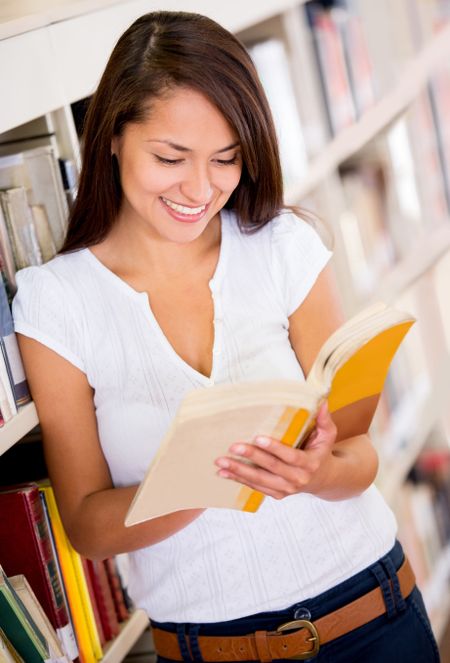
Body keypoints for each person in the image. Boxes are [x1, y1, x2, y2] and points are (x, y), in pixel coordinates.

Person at [13, 10, 440, 663]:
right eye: (169, 157)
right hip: (211, 647)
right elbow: (87, 523)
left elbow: (361, 454)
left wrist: (318, 471)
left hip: (374, 617)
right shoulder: (58, 300)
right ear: (112, 137)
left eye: (225, 159)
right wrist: (200, 483)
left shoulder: (280, 245)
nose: (199, 187)